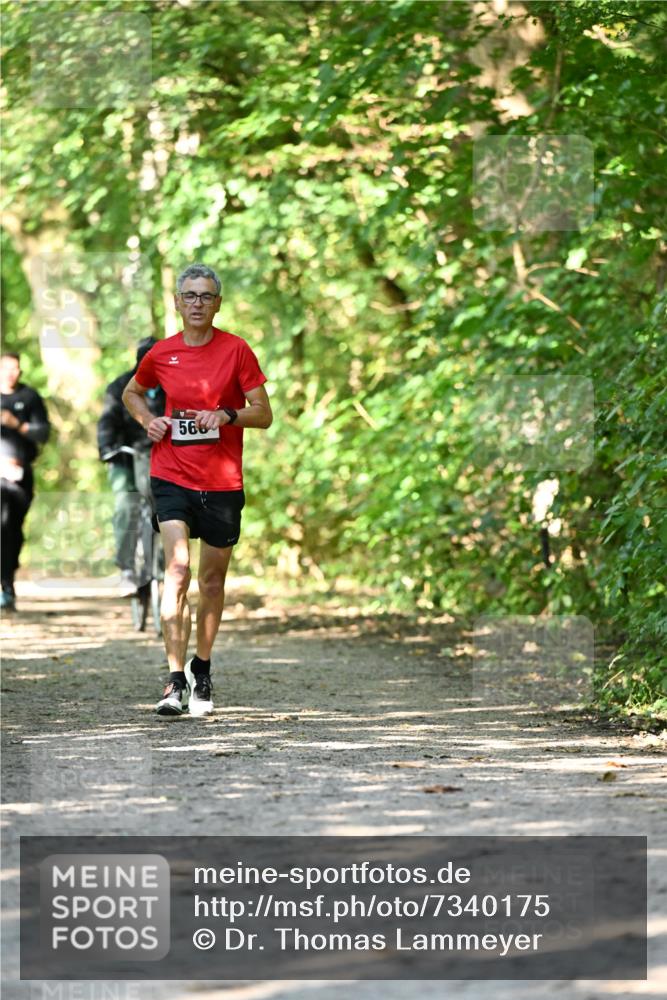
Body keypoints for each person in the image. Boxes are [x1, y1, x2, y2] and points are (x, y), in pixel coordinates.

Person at [122, 264, 272, 717]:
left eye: (206, 296)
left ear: (218, 304)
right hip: (171, 474)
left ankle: (200, 669)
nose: (197, 303)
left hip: (222, 480)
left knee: (211, 581)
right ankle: (173, 680)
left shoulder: (236, 350)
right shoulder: (161, 353)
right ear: (177, 302)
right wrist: (149, 421)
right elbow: (132, 392)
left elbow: (263, 413)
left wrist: (228, 415)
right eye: (189, 295)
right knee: (178, 569)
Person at [97, 337, 165, 595]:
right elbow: (107, 422)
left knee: (169, 504)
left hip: (161, 455)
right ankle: (126, 567)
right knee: (127, 504)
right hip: (125, 456)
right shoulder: (119, 387)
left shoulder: (172, 386)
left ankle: (164, 562)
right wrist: (107, 448)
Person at [0, 352, 51, 610]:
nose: (12, 373)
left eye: (16, 368)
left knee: (12, 528)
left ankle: (8, 582)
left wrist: (18, 425)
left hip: (19, 477)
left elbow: (43, 433)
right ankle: (5, 584)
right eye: (7, 368)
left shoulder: (29, 397)